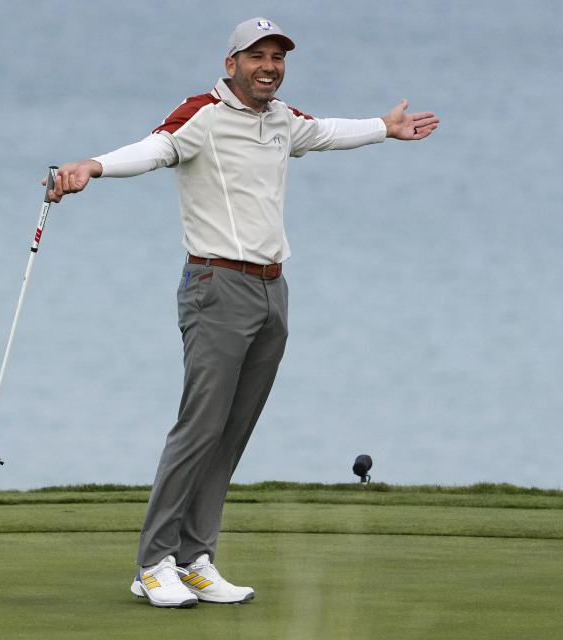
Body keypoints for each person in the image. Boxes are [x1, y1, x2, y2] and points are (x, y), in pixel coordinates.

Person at [47, 18, 439, 608]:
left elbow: (326, 131)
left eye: (278, 57)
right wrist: (93, 167)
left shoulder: (282, 120)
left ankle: (196, 558)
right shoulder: (201, 113)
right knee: (198, 427)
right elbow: (152, 149)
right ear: (231, 62)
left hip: (271, 291)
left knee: (231, 433)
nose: (269, 66)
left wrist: (384, 128)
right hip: (216, 287)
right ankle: (153, 563)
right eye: (257, 55)